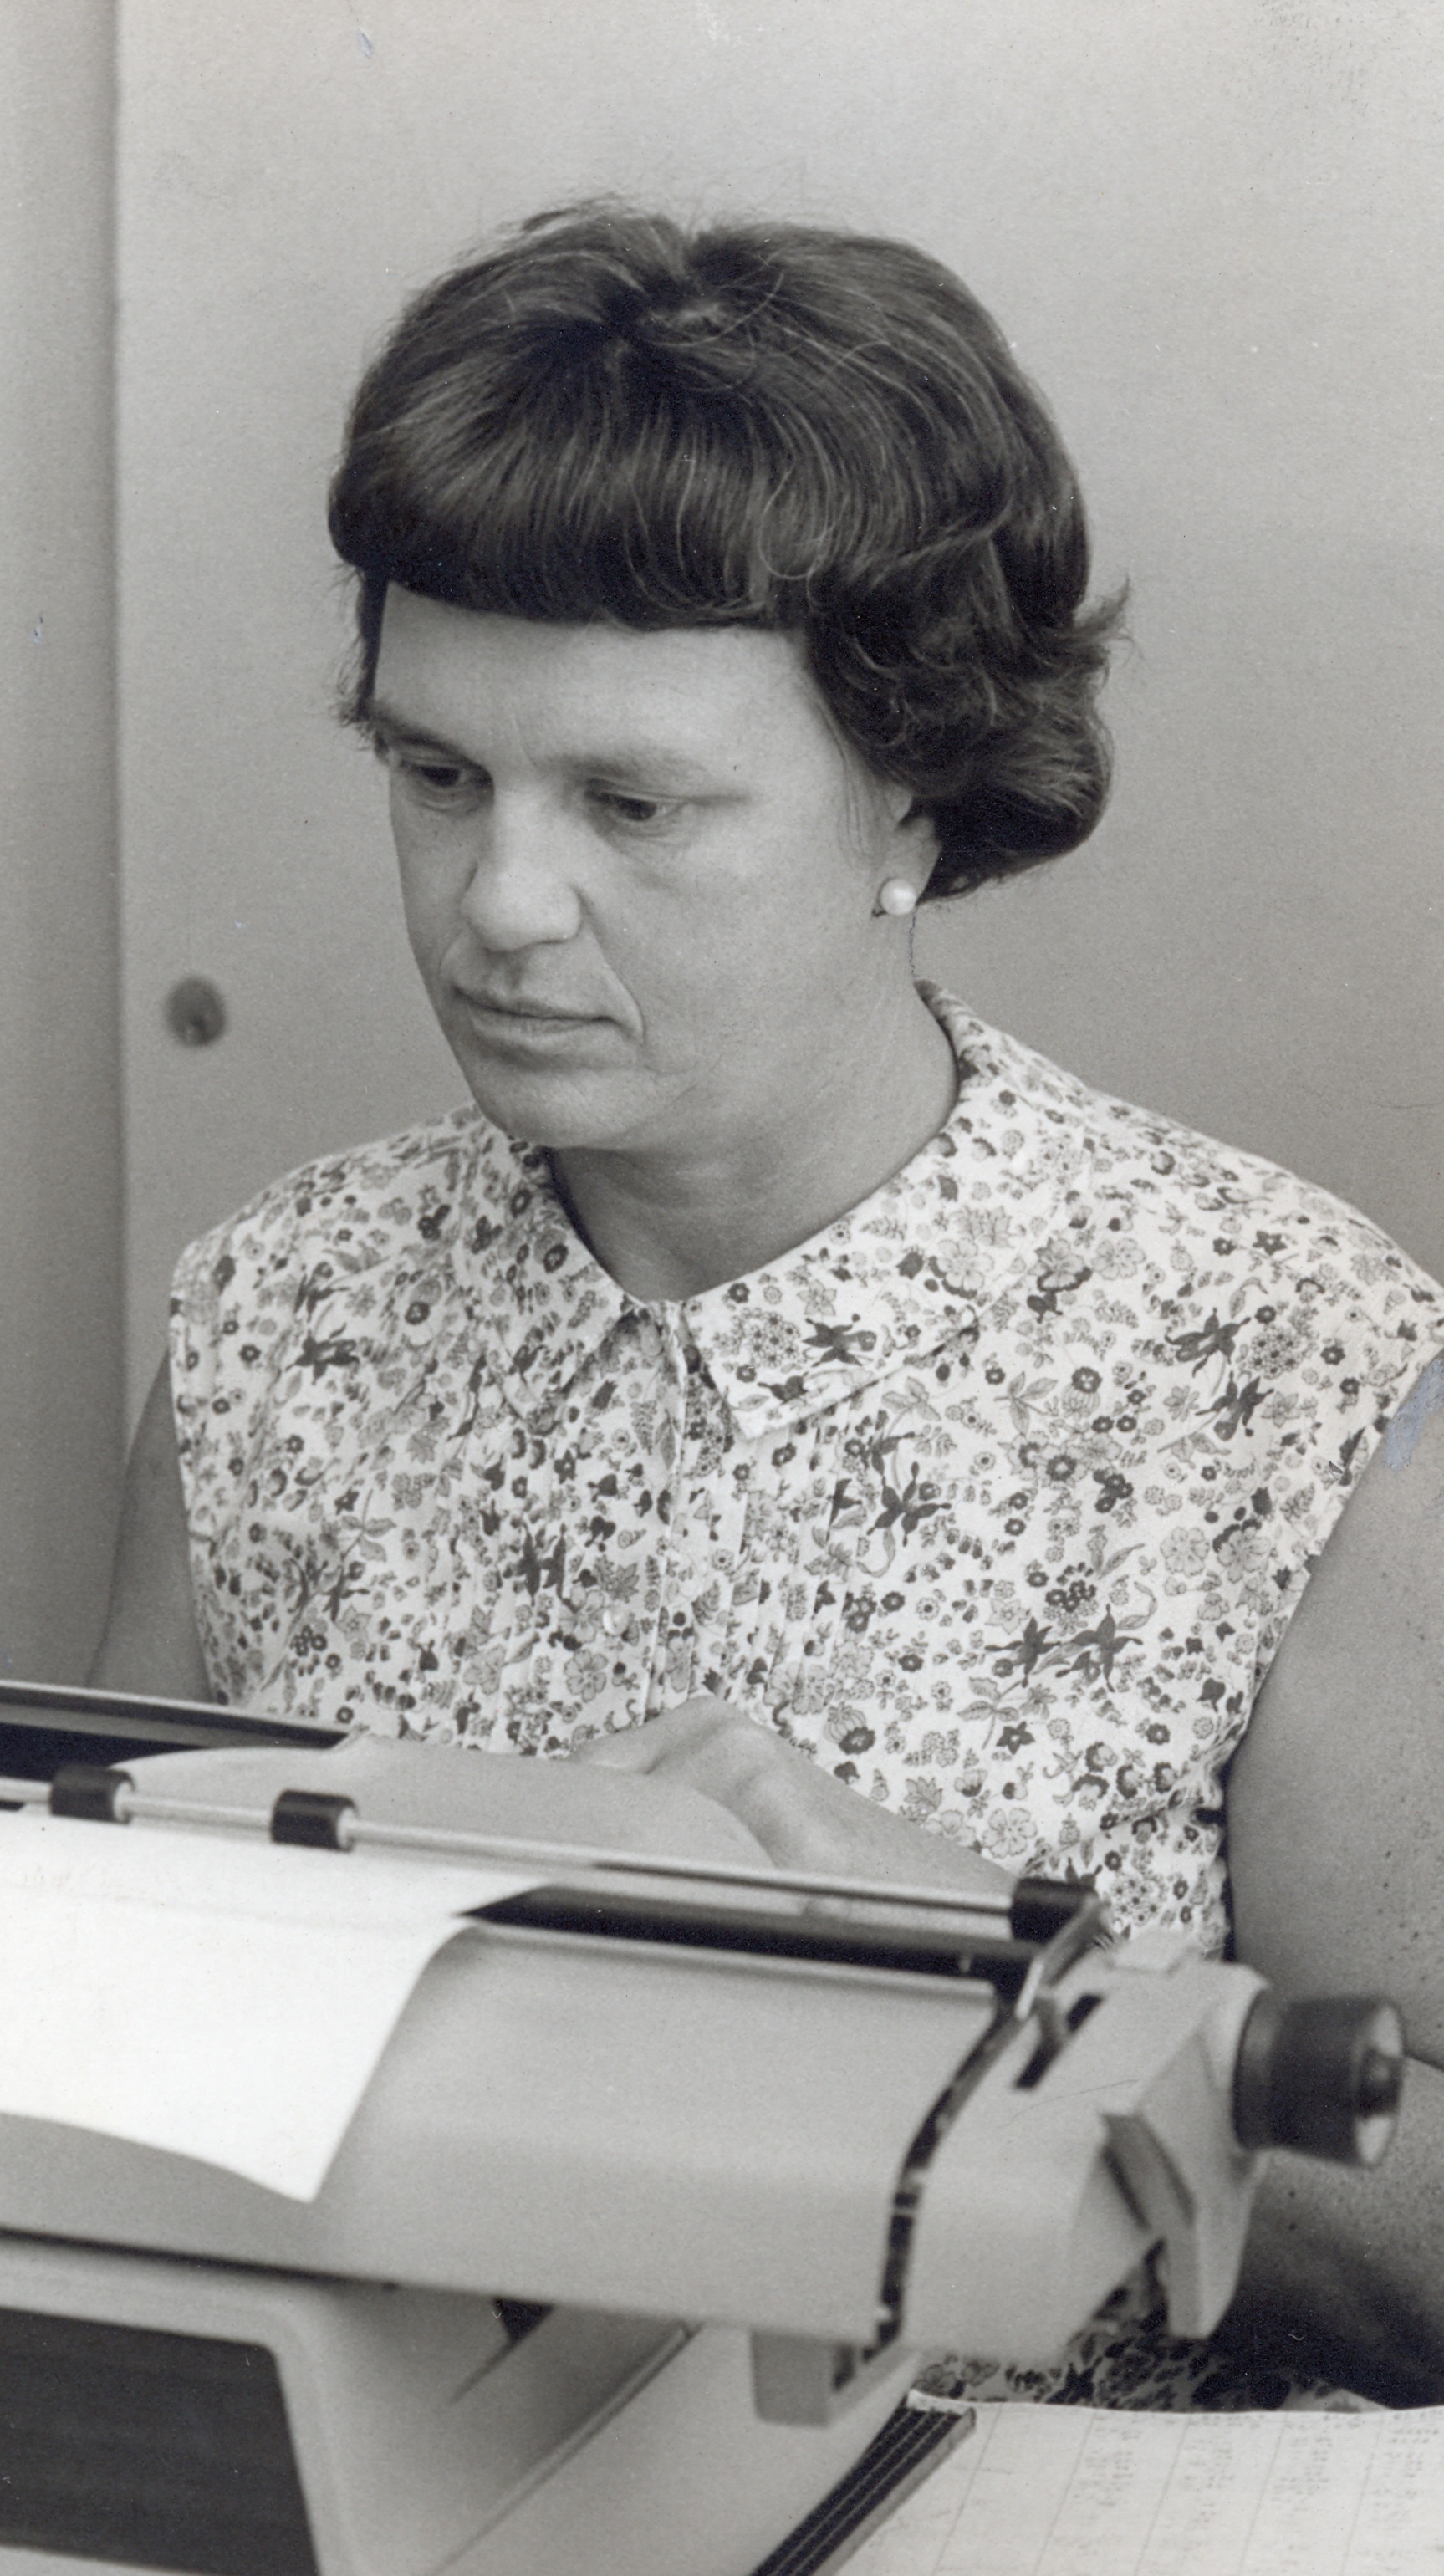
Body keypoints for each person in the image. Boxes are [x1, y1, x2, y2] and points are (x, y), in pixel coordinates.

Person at [92, 205, 1444, 2405]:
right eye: (436, 777)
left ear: (913, 798)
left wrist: (1001, 1991)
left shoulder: (1287, 1369)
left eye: (632, 801)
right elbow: (100, 2079)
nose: (500, 903)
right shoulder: (278, 1319)